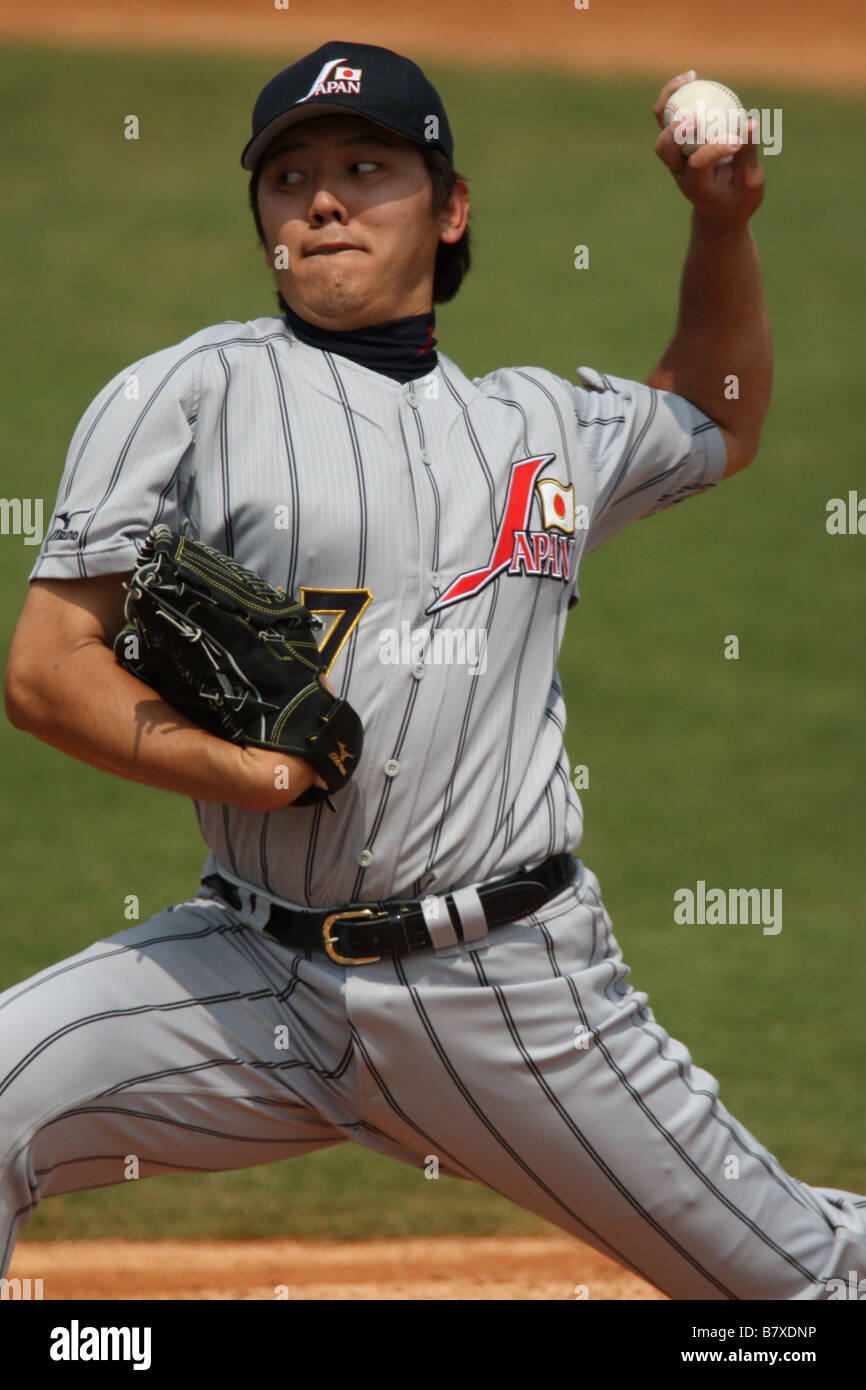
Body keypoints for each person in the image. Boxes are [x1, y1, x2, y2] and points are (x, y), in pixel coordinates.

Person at [3, 41, 863, 1299]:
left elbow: (719, 417)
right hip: (250, 980)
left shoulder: (543, 428)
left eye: (368, 167)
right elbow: (45, 667)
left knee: (800, 1284)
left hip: (504, 996)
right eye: (289, 177)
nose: (325, 199)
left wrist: (721, 226)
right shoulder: (181, 394)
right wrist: (237, 770)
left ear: (449, 208)